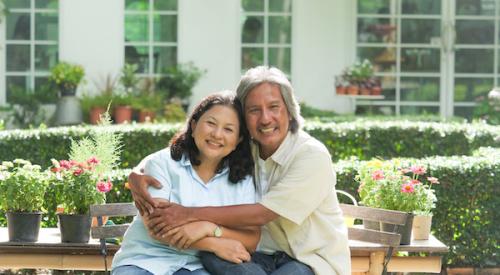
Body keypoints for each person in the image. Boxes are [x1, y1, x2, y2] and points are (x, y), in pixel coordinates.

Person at [129, 66, 351, 275]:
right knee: (212, 257)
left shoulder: (311, 155)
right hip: (259, 256)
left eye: (274, 107)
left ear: (290, 112)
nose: (265, 118)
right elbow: (179, 154)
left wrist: (191, 216)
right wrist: (136, 173)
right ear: (244, 119)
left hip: (309, 260)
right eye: (254, 110)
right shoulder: (247, 149)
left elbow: (262, 213)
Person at [112, 91, 260, 275]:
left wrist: (209, 229)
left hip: (198, 265)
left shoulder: (242, 179)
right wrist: (213, 244)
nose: (217, 134)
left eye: (228, 129)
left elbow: (251, 239)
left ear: (238, 140)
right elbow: (156, 227)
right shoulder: (162, 164)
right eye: (211, 123)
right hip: (145, 260)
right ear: (194, 124)